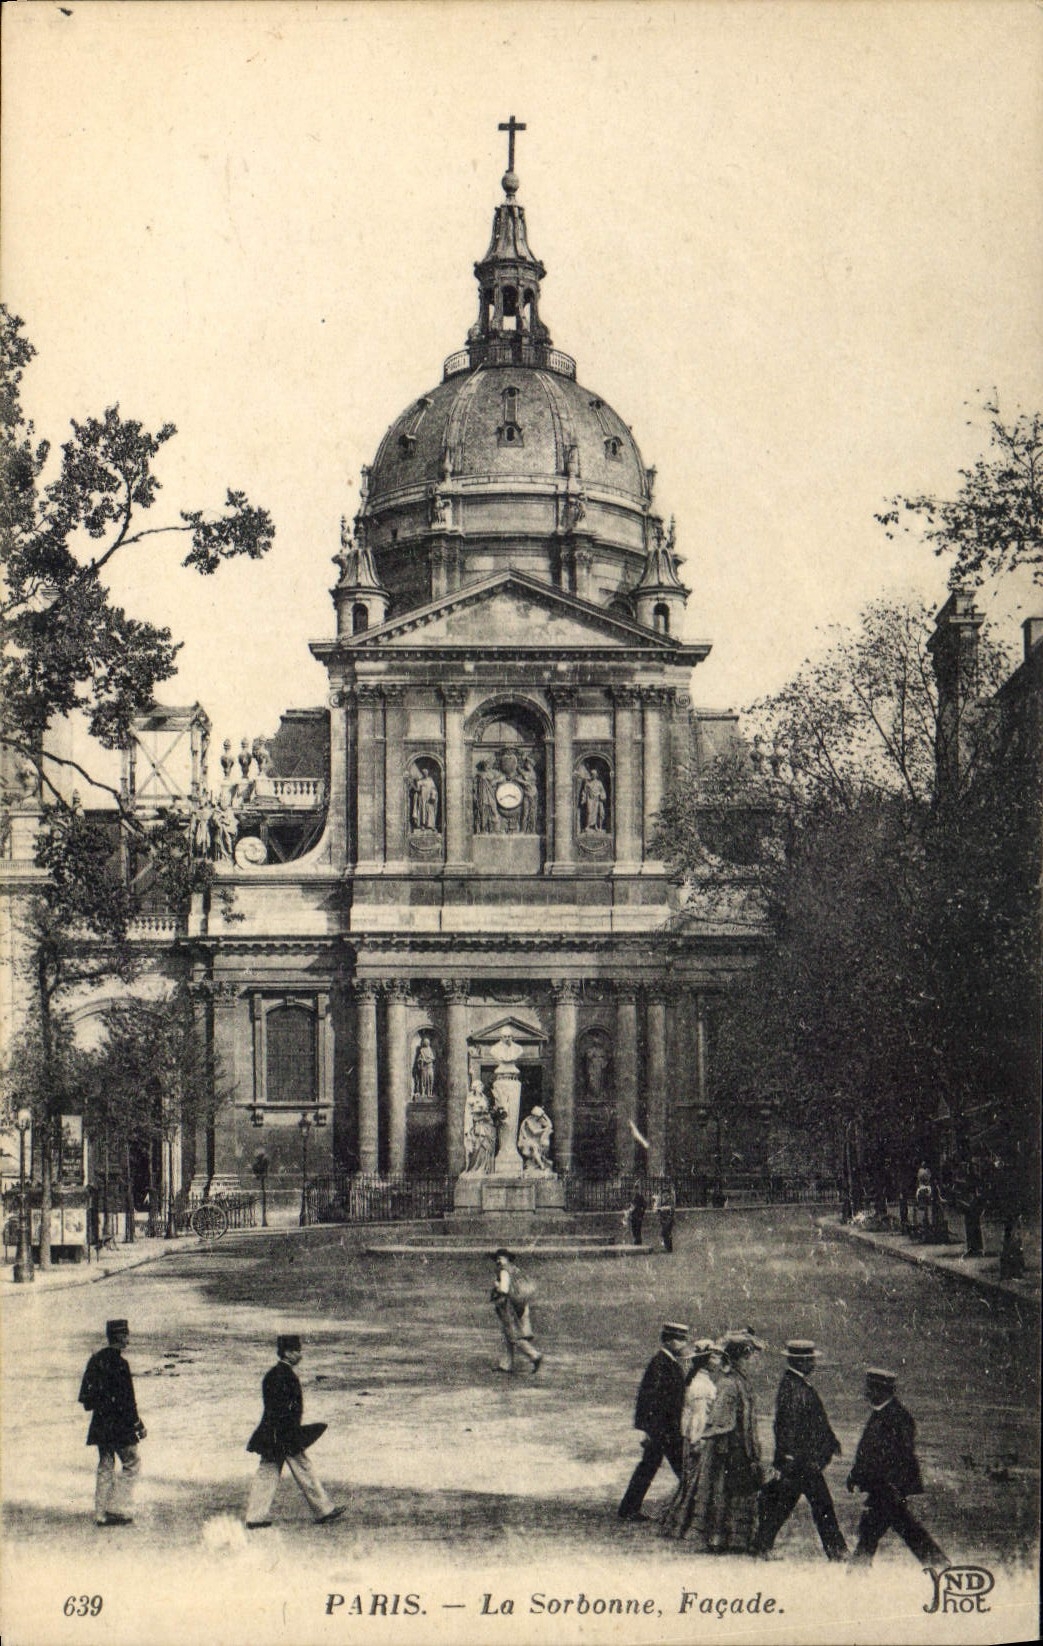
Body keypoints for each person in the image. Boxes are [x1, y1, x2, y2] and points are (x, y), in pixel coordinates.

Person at [753, 1340, 847, 1561]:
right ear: (800, 1361)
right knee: (817, 1504)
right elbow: (787, 1425)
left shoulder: (794, 1384)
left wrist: (830, 1441)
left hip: (798, 1460)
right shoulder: (795, 1387)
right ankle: (837, 1551)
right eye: (810, 1359)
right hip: (801, 1461)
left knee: (785, 1504)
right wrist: (789, 1455)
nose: (813, 1363)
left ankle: (761, 1544)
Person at [847, 1367, 947, 1566]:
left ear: (882, 1391)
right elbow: (868, 1453)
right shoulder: (883, 1413)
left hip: (888, 1487)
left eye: (870, 1389)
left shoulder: (898, 1417)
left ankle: (856, 1575)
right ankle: (940, 1566)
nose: (866, 1393)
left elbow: (902, 1456)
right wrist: (855, 1476)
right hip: (883, 1487)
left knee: (877, 1532)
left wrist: (893, 1486)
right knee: (898, 1530)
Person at [245, 1334, 345, 1528]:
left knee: (267, 1472)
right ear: (288, 1353)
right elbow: (289, 1411)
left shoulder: (271, 1375)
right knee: (304, 1469)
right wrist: (292, 1435)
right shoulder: (288, 1376)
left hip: (271, 1433)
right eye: (297, 1351)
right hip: (285, 1435)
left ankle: (254, 1518)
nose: (300, 1354)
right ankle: (324, 1510)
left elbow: (272, 1409)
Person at [688, 1328, 764, 1553]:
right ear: (741, 1358)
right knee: (726, 1494)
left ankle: (734, 1541)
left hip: (740, 1448)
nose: (754, 1362)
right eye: (750, 1357)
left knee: (737, 1495)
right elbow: (721, 1421)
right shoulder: (729, 1384)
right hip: (730, 1450)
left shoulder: (740, 1381)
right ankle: (721, 1540)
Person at [78, 1318, 146, 1527]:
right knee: (132, 1464)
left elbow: (85, 1399)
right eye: (126, 1334)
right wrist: (138, 1425)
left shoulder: (95, 1360)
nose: (128, 1337)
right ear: (120, 1337)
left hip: (100, 1424)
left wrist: (103, 1404)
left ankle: (100, 1513)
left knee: (105, 1465)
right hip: (120, 1425)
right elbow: (128, 1400)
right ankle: (116, 1508)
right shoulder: (121, 1364)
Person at [618, 1322, 690, 1521]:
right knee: (681, 1468)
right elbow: (648, 1399)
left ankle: (628, 1508)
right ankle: (694, 1508)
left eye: (684, 1339)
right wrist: (647, 1430)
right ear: (667, 1341)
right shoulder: (660, 1364)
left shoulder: (668, 1362)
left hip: (665, 1428)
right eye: (679, 1339)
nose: (683, 1344)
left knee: (652, 1467)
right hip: (662, 1430)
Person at [661, 1339, 720, 1539]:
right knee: (696, 1482)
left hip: (690, 1437)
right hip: (698, 1438)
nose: (718, 1361)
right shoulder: (702, 1386)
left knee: (690, 1481)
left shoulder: (697, 1380)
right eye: (714, 1357)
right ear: (705, 1360)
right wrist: (698, 1441)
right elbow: (698, 1418)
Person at [490, 1250, 543, 1375]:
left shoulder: (504, 1271)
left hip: (509, 1307)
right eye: (497, 1258)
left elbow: (504, 1289)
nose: (498, 1260)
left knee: (513, 1335)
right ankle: (506, 1365)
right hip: (520, 1304)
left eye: (501, 1258)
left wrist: (496, 1285)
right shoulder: (515, 1270)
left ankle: (535, 1356)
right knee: (508, 1335)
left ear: (507, 1259)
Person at [517, 1105, 553, 1172]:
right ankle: (541, 1165)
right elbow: (534, 1131)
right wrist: (544, 1129)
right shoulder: (528, 1121)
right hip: (525, 1140)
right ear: (534, 1115)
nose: (539, 1118)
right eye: (538, 1116)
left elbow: (550, 1125)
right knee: (534, 1147)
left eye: (539, 1116)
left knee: (542, 1145)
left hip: (534, 1141)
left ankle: (540, 1164)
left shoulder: (538, 1120)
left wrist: (544, 1114)